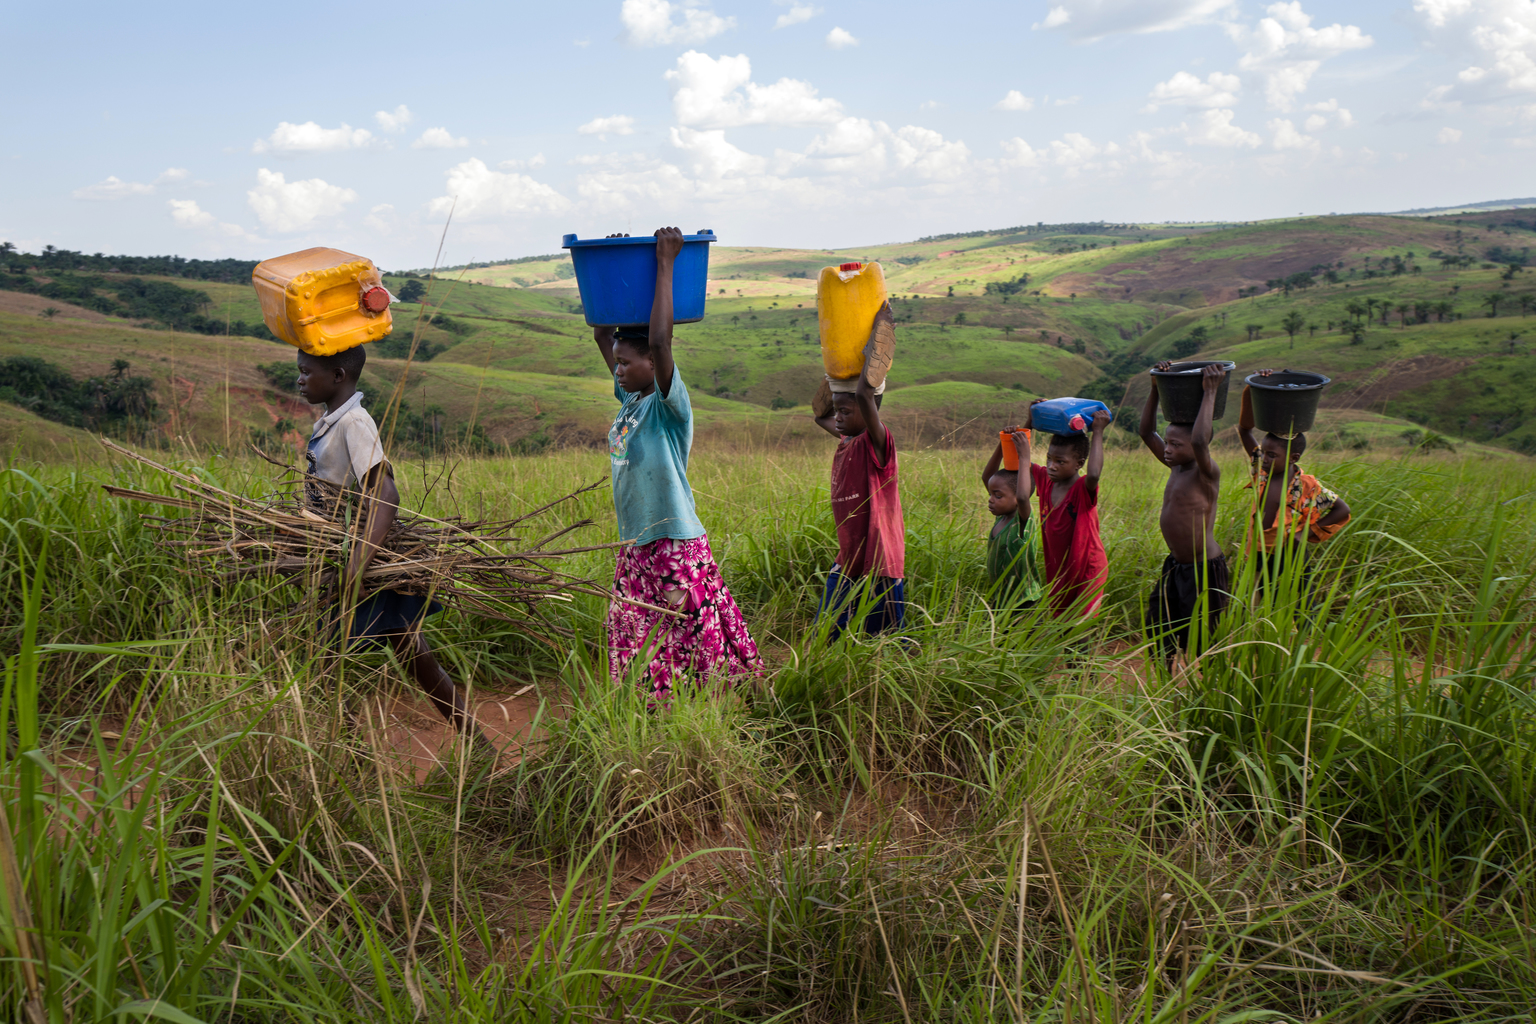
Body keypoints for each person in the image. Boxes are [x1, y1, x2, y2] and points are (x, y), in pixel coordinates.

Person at [594, 227, 763, 701]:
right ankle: (653, 705)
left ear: (653, 362)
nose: (618, 369)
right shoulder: (628, 400)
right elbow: (602, 332)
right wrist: (615, 267)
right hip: (636, 541)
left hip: (673, 542)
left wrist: (665, 262)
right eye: (616, 364)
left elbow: (663, 342)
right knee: (631, 626)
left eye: (627, 363)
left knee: (688, 627)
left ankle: (715, 702)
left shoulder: (669, 406)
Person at [295, 344, 482, 741]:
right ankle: (474, 741)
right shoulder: (331, 421)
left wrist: (358, 562)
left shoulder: (354, 423)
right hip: (346, 557)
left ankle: (343, 757)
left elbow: (385, 493)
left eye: (307, 371)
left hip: (362, 563)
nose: (299, 379)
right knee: (414, 657)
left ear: (339, 377)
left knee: (329, 659)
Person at [811, 302, 905, 640]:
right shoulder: (847, 439)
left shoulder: (877, 443)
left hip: (879, 559)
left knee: (888, 640)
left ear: (870, 414)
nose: (838, 418)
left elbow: (865, 394)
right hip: (850, 555)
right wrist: (834, 371)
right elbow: (820, 414)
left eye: (846, 412)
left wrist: (878, 342)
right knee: (828, 631)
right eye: (839, 411)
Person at [1139, 363, 1230, 666]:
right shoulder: (1176, 466)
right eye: (1168, 442)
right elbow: (1145, 431)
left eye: (1176, 445)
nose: (1167, 448)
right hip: (1176, 566)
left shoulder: (1206, 473)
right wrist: (1155, 388)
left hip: (1205, 569)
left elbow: (1202, 440)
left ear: (1194, 448)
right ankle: (1166, 688)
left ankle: (1211, 694)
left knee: (1206, 638)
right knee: (1159, 624)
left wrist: (1211, 391)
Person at [1236, 370, 1352, 587]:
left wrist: (1304, 535)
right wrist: (1252, 389)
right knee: (1252, 603)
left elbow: (1342, 510)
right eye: (1263, 452)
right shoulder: (1261, 473)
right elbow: (1244, 430)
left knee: (1300, 606)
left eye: (1272, 455)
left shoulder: (1307, 485)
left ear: (1293, 457)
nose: (1265, 459)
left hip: (1291, 556)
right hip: (1258, 553)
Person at [1020, 403, 1110, 618]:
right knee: (1061, 624)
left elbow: (1094, 475)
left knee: (1080, 630)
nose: (1052, 465)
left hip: (1087, 568)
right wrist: (1030, 422)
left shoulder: (1081, 490)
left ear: (1079, 463)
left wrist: (1098, 431)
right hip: (1060, 570)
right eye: (1049, 459)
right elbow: (1016, 462)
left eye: (1060, 461)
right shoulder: (1046, 480)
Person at [980, 427, 1044, 611]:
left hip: (1025, 602)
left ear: (1017, 499)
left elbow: (1023, 497)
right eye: (991, 494)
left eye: (998, 496)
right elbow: (987, 477)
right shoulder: (1002, 516)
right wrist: (1004, 444)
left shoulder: (1021, 520)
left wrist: (1024, 457)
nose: (991, 499)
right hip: (1002, 599)